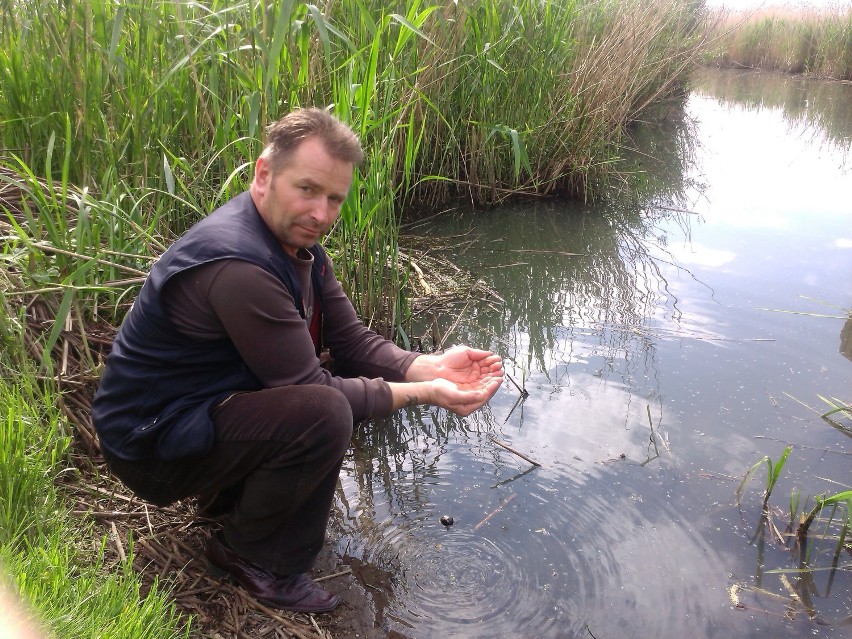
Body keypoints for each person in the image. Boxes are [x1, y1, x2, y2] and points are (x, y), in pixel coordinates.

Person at [91, 107, 503, 614]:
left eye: (334, 199)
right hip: (149, 447)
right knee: (323, 411)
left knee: (321, 384)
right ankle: (253, 557)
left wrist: (430, 364)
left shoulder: (295, 243)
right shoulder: (239, 265)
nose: (322, 213)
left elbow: (354, 342)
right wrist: (424, 393)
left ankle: (231, 504)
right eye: (307, 189)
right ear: (263, 174)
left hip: (192, 413)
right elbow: (319, 390)